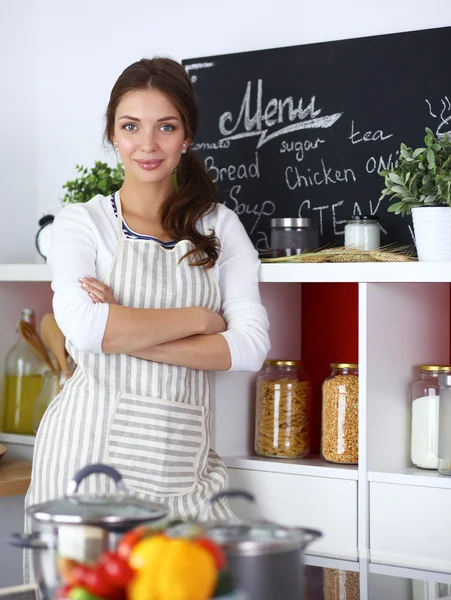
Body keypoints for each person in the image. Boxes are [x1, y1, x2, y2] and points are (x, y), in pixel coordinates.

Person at [24, 56, 270, 576]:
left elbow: (248, 349)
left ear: (187, 136)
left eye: (166, 126)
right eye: (130, 126)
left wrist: (121, 326)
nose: (148, 144)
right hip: (84, 465)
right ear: (113, 134)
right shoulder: (82, 223)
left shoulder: (220, 228)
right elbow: (87, 329)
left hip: (182, 468)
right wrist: (203, 320)